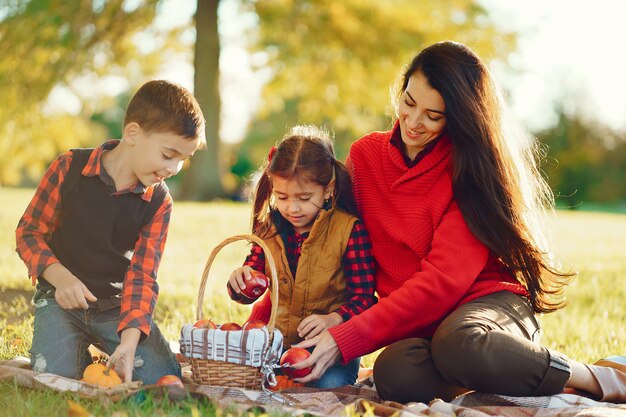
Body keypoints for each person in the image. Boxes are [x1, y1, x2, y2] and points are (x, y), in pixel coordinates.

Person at [292, 41, 626, 403]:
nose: (414, 122)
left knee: (460, 343)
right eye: (408, 102)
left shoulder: (470, 172)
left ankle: (596, 376)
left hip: (490, 307)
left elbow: (441, 284)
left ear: (459, 116)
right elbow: (330, 238)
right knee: (395, 374)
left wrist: (348, 336)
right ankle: (504, 374)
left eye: (433, 115)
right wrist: (331, 314)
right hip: (426, 328)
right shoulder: (365, 156)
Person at [15, 80, 206, 385]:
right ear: (132, 134)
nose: (174, 168)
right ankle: (73, 349)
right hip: (59, 300)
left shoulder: (159, 201)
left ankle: (103, 351)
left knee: (162, 377)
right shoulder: (68, 168)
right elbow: (29, 233)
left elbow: (143, 275)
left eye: (183, 159)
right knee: (56, 378)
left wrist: (129, 343)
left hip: (116, 307)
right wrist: (61, 278)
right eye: (169, 154)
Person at [227, 125, 377, 389]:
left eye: (304, 198)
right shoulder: (269, 229)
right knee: (245, 378)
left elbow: (365, 299)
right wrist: (239, 281)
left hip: (331, 347)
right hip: (278, 343)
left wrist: (335, 318)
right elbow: (249, 284)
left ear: (328, 189)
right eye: (282, 196)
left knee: (326, 384)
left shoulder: (349, 230)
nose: (292, 208)